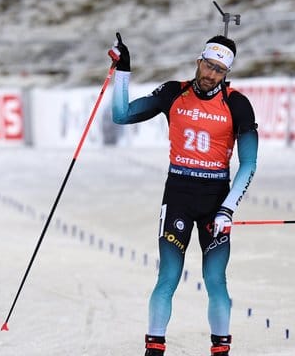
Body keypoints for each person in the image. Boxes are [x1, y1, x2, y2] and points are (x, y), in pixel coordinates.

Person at [108, 32, 258, 356]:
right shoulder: (173, 93)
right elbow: (121, 115)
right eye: (208, 65)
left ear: (226, 73)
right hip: (177, 195)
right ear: (198, 61)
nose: (211, 74)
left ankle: (220, 349)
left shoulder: (237, 104)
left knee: (215, 279)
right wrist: (124, 71)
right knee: (168, 276)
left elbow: (249, 163)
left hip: (215, 201)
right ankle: (154, 349)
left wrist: (227, 209)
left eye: (219, 70)